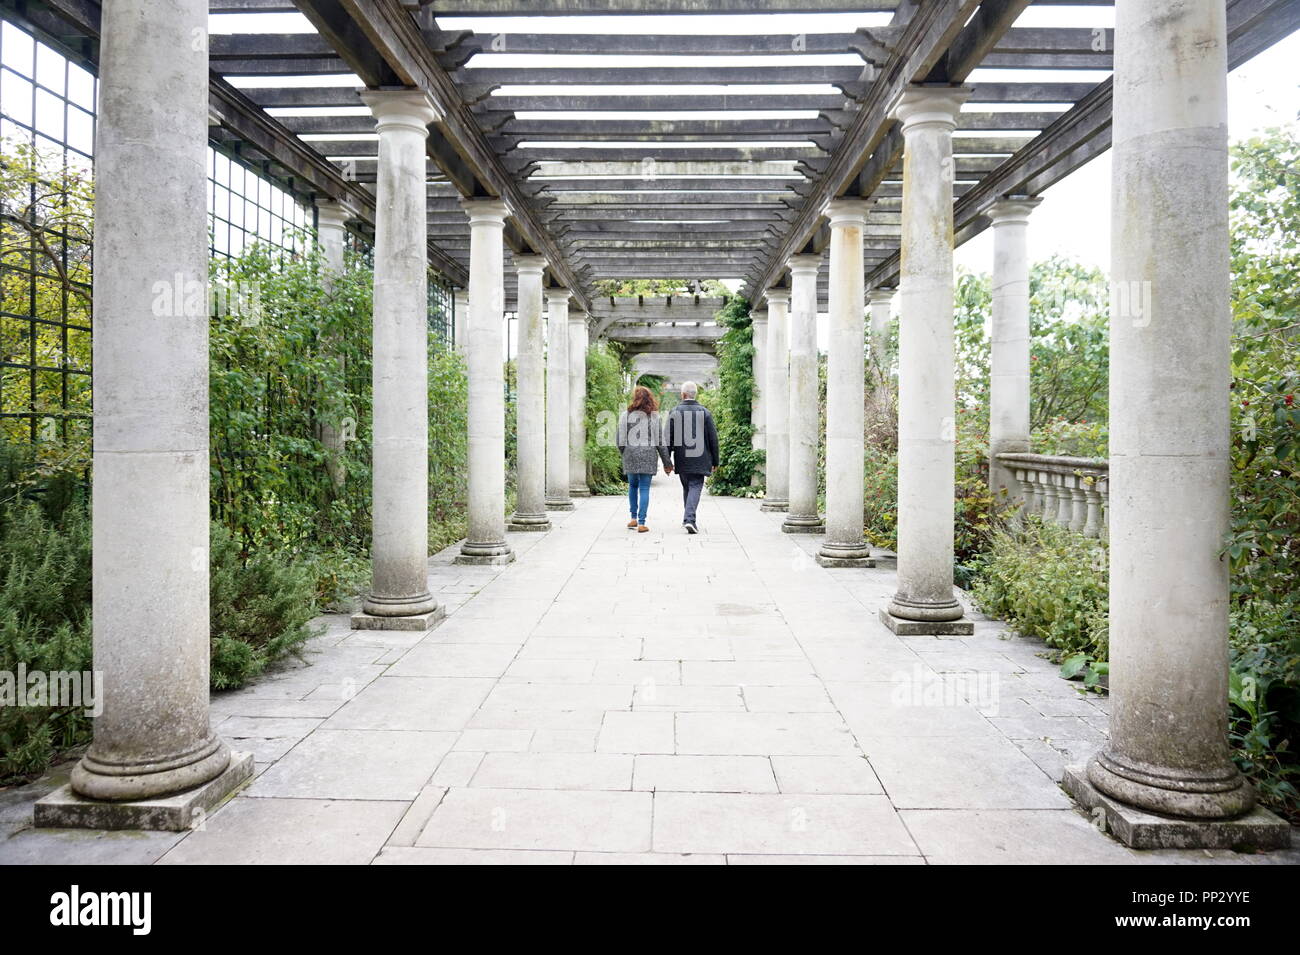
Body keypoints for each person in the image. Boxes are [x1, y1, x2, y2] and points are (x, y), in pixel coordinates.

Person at [663, 380, 719, 534]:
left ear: (682, 394)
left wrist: (667, 462)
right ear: (696, 394)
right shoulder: (705, 412)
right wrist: (715, 460)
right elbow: (713, 438)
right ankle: (689, 520)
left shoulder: (674, 412)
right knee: (695, 486)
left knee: (688, 486)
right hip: (701, 459)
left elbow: (668, 439)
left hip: (682, 458)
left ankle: (687, 518)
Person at [616, 385, 671, 533]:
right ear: (650, 399)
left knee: (633, 486)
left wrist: (626, 452)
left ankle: (633, 518)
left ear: (635, 398)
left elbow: (620, 440)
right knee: (644, 488)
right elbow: (660, 441)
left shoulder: (625, 415)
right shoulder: (654, 416)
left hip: (631, 453)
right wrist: (667, 463)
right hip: (648, 454)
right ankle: (641, 523)